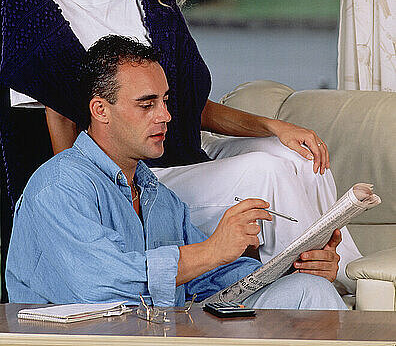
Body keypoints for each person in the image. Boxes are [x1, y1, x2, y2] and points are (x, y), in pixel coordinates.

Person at [0, 0, 360, 292]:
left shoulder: (149, 2)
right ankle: (340, 285)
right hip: (138, 176)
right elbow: (56, 112)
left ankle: (345, 271)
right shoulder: (30, 5)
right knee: (267, 172)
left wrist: (275, 127)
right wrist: (90, 198)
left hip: (186, 153)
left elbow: (192, 106)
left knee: (299, 155)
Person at [6, 36, 346, 309]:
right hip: (90, 338)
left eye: (165, 101)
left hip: (162, 333)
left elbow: (213, 277)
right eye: (146, 104)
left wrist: (298, 267)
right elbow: (100, 284)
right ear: (100, 110)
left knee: (308, 290)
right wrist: (213, 249)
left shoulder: (158, 196)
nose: (165, 116)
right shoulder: (59, 186)